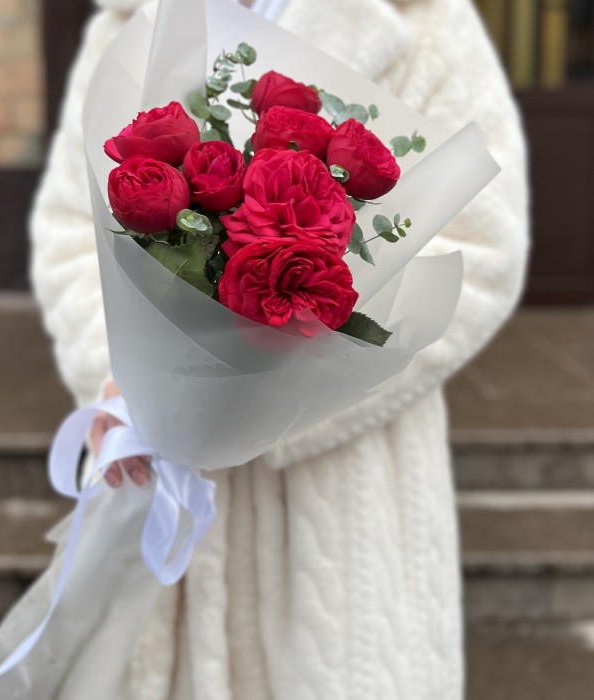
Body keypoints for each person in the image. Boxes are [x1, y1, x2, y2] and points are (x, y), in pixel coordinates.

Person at [30, 0, 529, 697]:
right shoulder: (129, 21)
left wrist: (281, 386)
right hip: (160, 454)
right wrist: (130, 379)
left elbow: (481, 246)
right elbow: (69, 230)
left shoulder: (428, 21)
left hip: (340, 490)